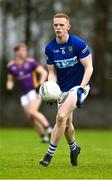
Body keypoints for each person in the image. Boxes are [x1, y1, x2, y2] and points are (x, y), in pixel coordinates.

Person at [39, 13, 93, 166]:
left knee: (61, 116)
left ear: (68, 27)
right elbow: (51, 72)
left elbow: (89, 67)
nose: (58, 27)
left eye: (61, 25)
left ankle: (48, 155)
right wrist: (51, 89)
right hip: (62, 89)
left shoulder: (78, 44)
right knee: (67, 123)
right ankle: (74, 148)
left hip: (78, 87)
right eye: (56, 25)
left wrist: (82, 87)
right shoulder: (50, 48)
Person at [6, 43, 52, 143]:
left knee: (32, 112)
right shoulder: (11, 66)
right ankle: (43, 137)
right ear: (16, 52)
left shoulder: (31, 62)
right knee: (31, 118)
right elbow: (10, 80)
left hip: (34, 91)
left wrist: (39, 85)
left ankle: (49, 129)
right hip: (23, 94)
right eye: (22, 50)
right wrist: (9, 89)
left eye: (25, 50)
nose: (24, 52)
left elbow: (44, 73)